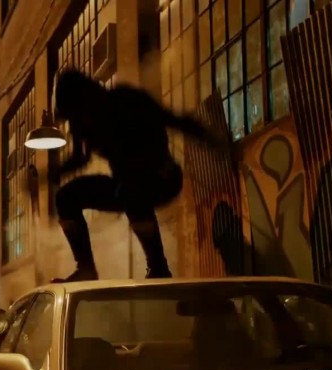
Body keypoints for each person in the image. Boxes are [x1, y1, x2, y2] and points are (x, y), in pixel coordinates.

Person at [50, 69, 225, 282]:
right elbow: (80, 158)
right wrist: (52, 174)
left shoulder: (126, 100)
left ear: (87, 98)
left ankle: (158, 267)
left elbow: (175, 120)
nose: (77, 122)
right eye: (73, 117)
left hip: (162, 178)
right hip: (123, 186)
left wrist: (213, 141)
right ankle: (86, 269)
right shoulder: (80, 122)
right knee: (65, 197)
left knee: (130, 190)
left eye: (77, 113)